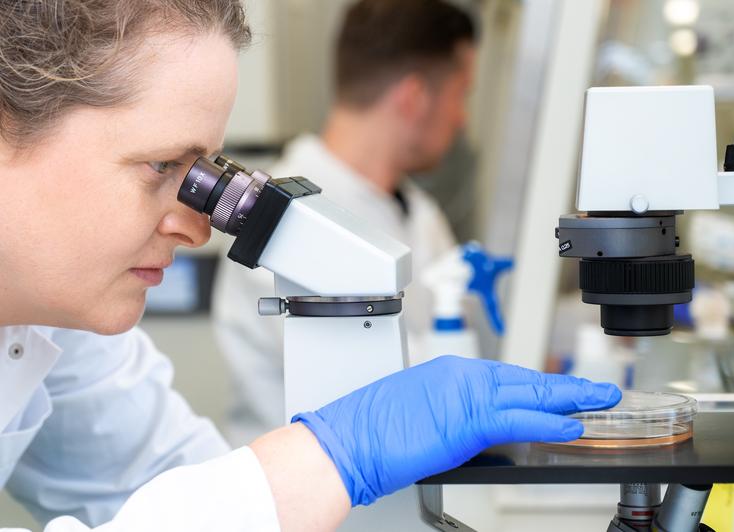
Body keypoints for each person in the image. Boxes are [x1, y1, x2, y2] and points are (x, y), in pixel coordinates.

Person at [0, 1, 621, 531]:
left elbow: (163, 477)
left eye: (202, 177)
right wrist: (335, 454)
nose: (195, 228)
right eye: (162, 166)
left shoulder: (55, 328)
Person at [214, 0, 478, 443]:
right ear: (414, 98)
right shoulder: (283, 228)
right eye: (461, 94)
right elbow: (390, 389)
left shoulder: (418, 209)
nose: (461, 117)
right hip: (304, 498)